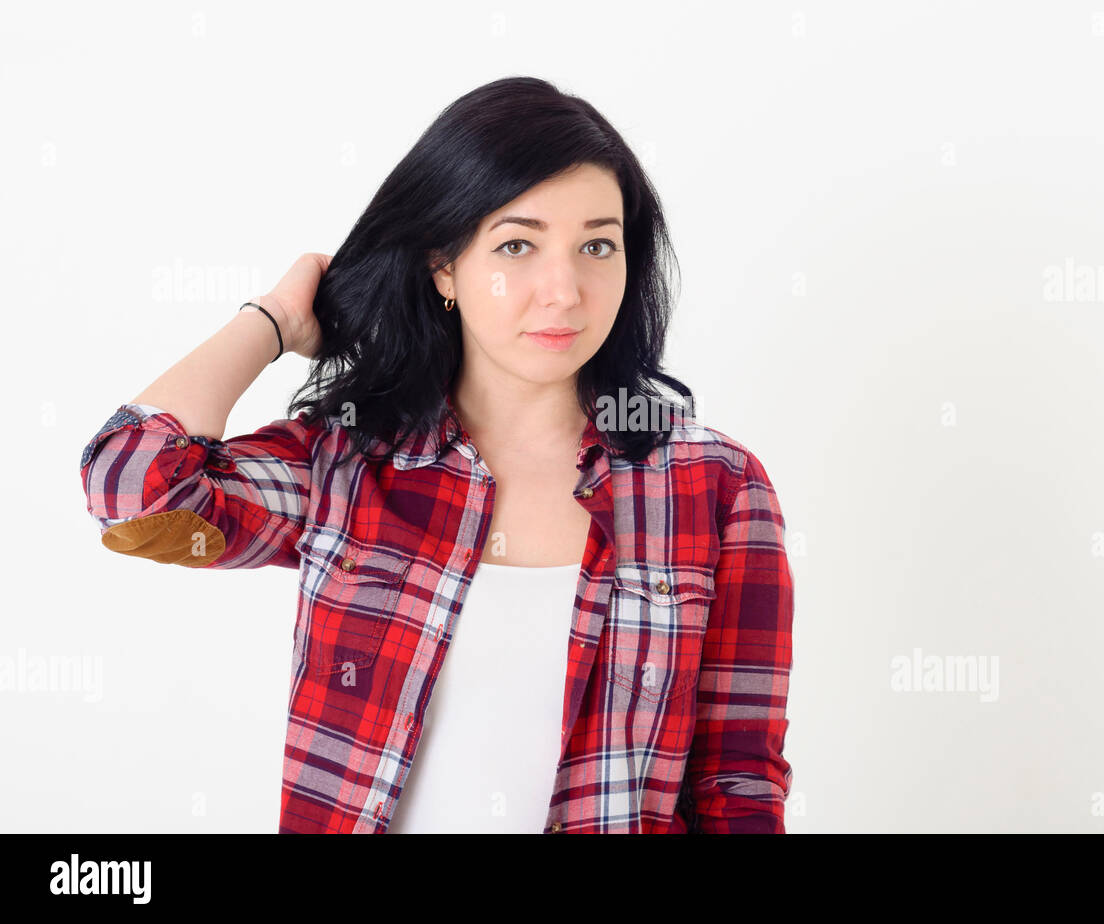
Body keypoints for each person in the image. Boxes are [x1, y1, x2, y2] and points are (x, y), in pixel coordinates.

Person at [79, 75, 794, 833]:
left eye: (597, 245)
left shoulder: (714, 487)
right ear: (444, 265)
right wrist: (276, 320)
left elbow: (737, 787)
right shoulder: (349, 464)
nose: (564, 290)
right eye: (517, 244)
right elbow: (133, 484)